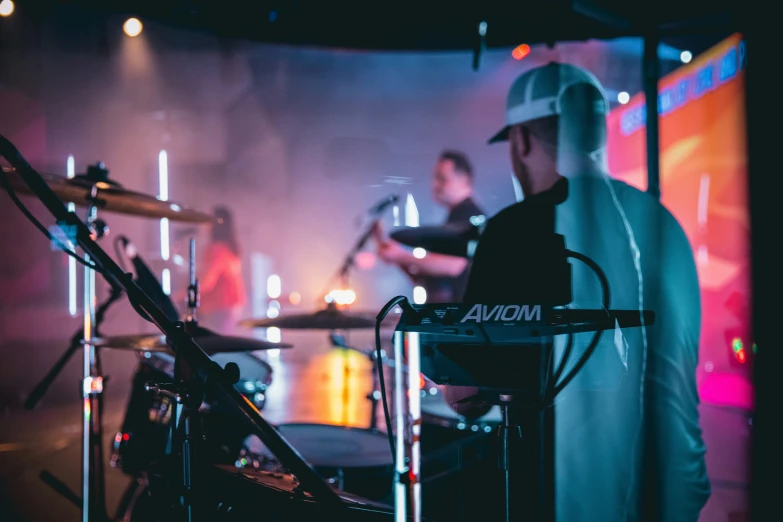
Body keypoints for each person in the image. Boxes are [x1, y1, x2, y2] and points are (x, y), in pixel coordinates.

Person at [461, 63, 710, 522]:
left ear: (521, 142)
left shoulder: (512, 230)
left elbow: (467, 392)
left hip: (562, 501)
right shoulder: (665, 224)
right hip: (675, 492)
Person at [374, 150, 484, 303]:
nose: (435, 185)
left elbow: (456, 265)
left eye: (442, 178)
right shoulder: (455, 218)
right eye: (435, 178)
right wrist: (396, 257)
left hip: (459, 320)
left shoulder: (469, 217)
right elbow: (427, 282)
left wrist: (400, 256)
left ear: (464, 179)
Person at [197, 206, 247, 334]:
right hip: (231, 307)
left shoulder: (216, 249)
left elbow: (206, 282)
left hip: (218, 308)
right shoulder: (230, 248)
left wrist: (179, 296)